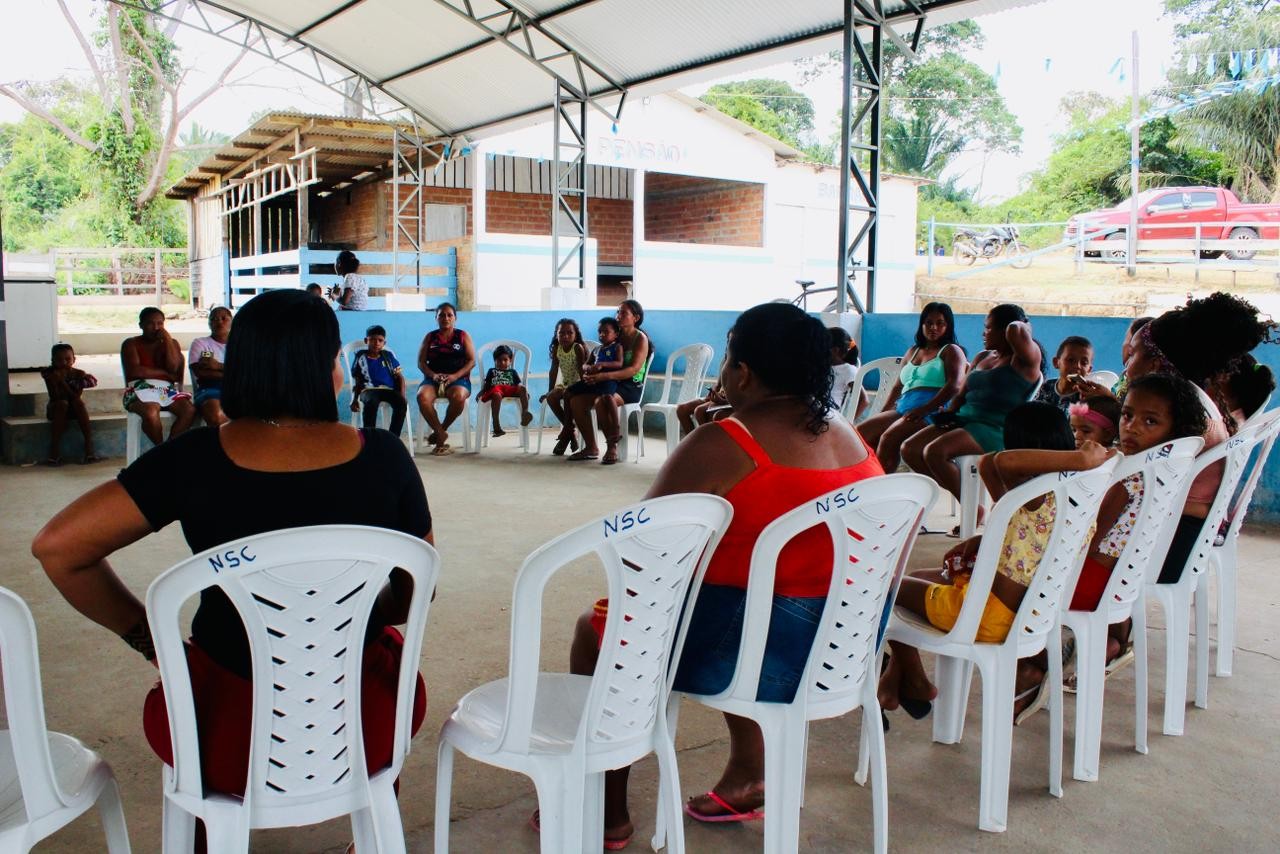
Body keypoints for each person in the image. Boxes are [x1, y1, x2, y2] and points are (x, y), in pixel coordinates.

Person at [31, 288, 431, 822]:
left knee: (193, 680)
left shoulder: (192, 460)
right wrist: (349, 617)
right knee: (387, 650)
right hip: (367, 724)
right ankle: (372, 832)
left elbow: (58, 549)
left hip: (221, 735)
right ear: (326, 366)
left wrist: (153, 644)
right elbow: (414, 593)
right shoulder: (386, 457)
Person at [561, 303, 883, 841]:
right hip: (840, 651)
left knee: (603, 629)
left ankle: (604, 809)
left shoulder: (724, 443)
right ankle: (748, 774)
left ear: (744, 373)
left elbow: (640, 554)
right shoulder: (849, 435)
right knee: (747, 598)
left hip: (758, 657)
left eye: (728, 359)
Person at [878, 402, 1113, 722]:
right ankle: (894, 681)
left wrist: (1079, 458)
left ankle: (916, 681)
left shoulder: (1038, 495)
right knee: (919, 575)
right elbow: (991, 465)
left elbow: (1000, 461)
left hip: (987, 616)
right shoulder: (1080, 495)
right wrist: (984, 540)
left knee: (886, 589)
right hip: (1031, 616)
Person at [1123, 292, 1276, 584]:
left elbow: (1126, 480)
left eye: (1132, 355)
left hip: (1164, 550)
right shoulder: (1195, 405)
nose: (1127, 365)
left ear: (1155, 364)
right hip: (1185, 540)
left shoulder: (1178, 420)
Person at [901, 303, 1042, 518]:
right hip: (964, 418)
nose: (984, 333)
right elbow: (961, 392)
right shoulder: (983, 356)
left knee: (935, 452)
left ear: (1005, 331)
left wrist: (1022, 323)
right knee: (909, 449)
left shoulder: (1025, 360)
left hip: (995, 427)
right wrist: (949, 414)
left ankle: (971, 509)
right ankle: (968, 499)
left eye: (989, 328)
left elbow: (1016, 329)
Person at [856, 302, 966, 472]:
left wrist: (924, 409)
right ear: (922, 324)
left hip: (931, 411)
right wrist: (884, 411)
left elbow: (954, 385)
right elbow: (897, 387)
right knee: (861, 434)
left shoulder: (951, 350)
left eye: (940, 323)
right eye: (928, 323)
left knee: (889, 438)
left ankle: (881, 484)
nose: (933, 327)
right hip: (904, 408)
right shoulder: (913, 351)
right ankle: (865, 477)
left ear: (948, 326)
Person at [567, 300, 650, 464]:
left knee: (602, 401)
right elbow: (599, 359)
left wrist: (603, 376)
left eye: (623, 313)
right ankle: (591, 447)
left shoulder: (640, 338)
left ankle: (612, 446)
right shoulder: (614, 336)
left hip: (630, 385)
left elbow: (633, 369)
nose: (618, 316)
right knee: (576, 401)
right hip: (610, 382)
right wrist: (592, 373)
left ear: (636, 318)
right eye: (618, 312)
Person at [121, 306, 196, 446]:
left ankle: (167, 449)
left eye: (160, 323)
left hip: (166, 390)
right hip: (137, 389)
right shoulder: (131, 343)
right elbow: (136, 371)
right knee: (151, 411)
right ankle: (160, 449)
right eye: (150, 323)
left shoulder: (171, 343)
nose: (156, 328)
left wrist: (167, 340)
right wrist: (165, 373)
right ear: (141, 325)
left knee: (189, 410)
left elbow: (174, 368)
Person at [416, 302, 476, 456]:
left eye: (450, 315)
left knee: (459, 397)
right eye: (441, 315)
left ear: (455, 318)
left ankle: (441, 430)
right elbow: (421, 362)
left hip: (458, 379)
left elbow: (471, 361)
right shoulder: (430, 337)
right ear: (436, 318)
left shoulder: (462, 336)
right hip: (433, 379)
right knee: (422, 397)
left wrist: (455, 376)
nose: (446, 318)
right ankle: (441, 433)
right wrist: (433, 375)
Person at [40, 343, 100, 465]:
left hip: (74, 409)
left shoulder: (79, 374)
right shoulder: (49, 373)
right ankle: (54, 450)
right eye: (59, 360)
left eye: (68, 359)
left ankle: (89, 445)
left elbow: (75, 396)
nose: (64, 362)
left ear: (74, 359)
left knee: (78, 402)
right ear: (52, 361)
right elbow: (55, 396)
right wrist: (57, 380)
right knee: (62, 404)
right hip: (56, 409)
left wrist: (62, 382)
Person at [350, 324, 408, 437]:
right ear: (366, 341)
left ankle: (393, 438)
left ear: (384, 343)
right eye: (372, 340)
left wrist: (402, 396)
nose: (376, 343)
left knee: (401, 404)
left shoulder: (388, 356)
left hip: (388, 390)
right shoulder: (361, 356)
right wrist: (355, 399)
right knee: (371, 402)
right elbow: (357, 380)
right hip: (368, 390)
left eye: (380, 340)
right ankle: (369, 438)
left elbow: (400, 377)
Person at [541, 318, 587, 455]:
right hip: (566, 384)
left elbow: (582, 372)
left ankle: (566, 435)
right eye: (561, 333)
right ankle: (570, 430)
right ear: (556, 334)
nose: (565, 336)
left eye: (569, 333)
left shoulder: (577, 348)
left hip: (579, 384)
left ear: (575, 335)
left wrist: (584, 390)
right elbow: (553, 370)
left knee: (568, 395)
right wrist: (549, 390)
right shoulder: (558, 348)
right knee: (551, 397)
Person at [188, 306, 232, 427]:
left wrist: (217, 365)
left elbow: (248, 372)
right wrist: (234, 373)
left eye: (224, 318)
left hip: (239, 388)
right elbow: (201, 373)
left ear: (232, 321)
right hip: (210, 388)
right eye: (214, 319)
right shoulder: (201, 343)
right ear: (209, 323)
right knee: (216, 416)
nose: (219, 322)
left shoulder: (241, 345)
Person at [478, 344, 533, 437]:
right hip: (497, 390)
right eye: (499, 360)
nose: (502, 362)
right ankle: (496, 426)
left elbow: (518, 384)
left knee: (523, 388)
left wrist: (524, 392)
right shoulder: (491, 371)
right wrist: (482, 392)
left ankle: (525, 414)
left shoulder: (513, 372)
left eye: (505, 360)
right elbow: (487, 385)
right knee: (496, 395)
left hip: (509, 390)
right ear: (495, 361)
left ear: (510, 361)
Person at [565, 318, 624, 401]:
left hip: (608, 380)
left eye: (606, 332)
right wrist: (588, 368)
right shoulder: (596, 349)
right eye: (600, 332)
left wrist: (602, 364)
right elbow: (585, 365)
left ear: (616, 334)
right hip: (593, 380)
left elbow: (619, 363)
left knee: (607, 398)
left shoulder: (617, 347)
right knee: (567, 392)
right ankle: (567, 410)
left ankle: (612, 410)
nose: (602, 334)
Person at [1035, 335, 1094, 413]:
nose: (1077, 366)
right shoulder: (1042, 388)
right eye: (1071, 360)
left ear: (1089, 370)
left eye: (1084, 363)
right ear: (1056, 362)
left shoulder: (1088, 398)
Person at [828, 327, 864, 416]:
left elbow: (863, 400)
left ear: (835, 350)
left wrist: (848, 422)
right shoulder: (822, 366)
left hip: (830, 413)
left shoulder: (848, 370)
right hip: (816, 409)